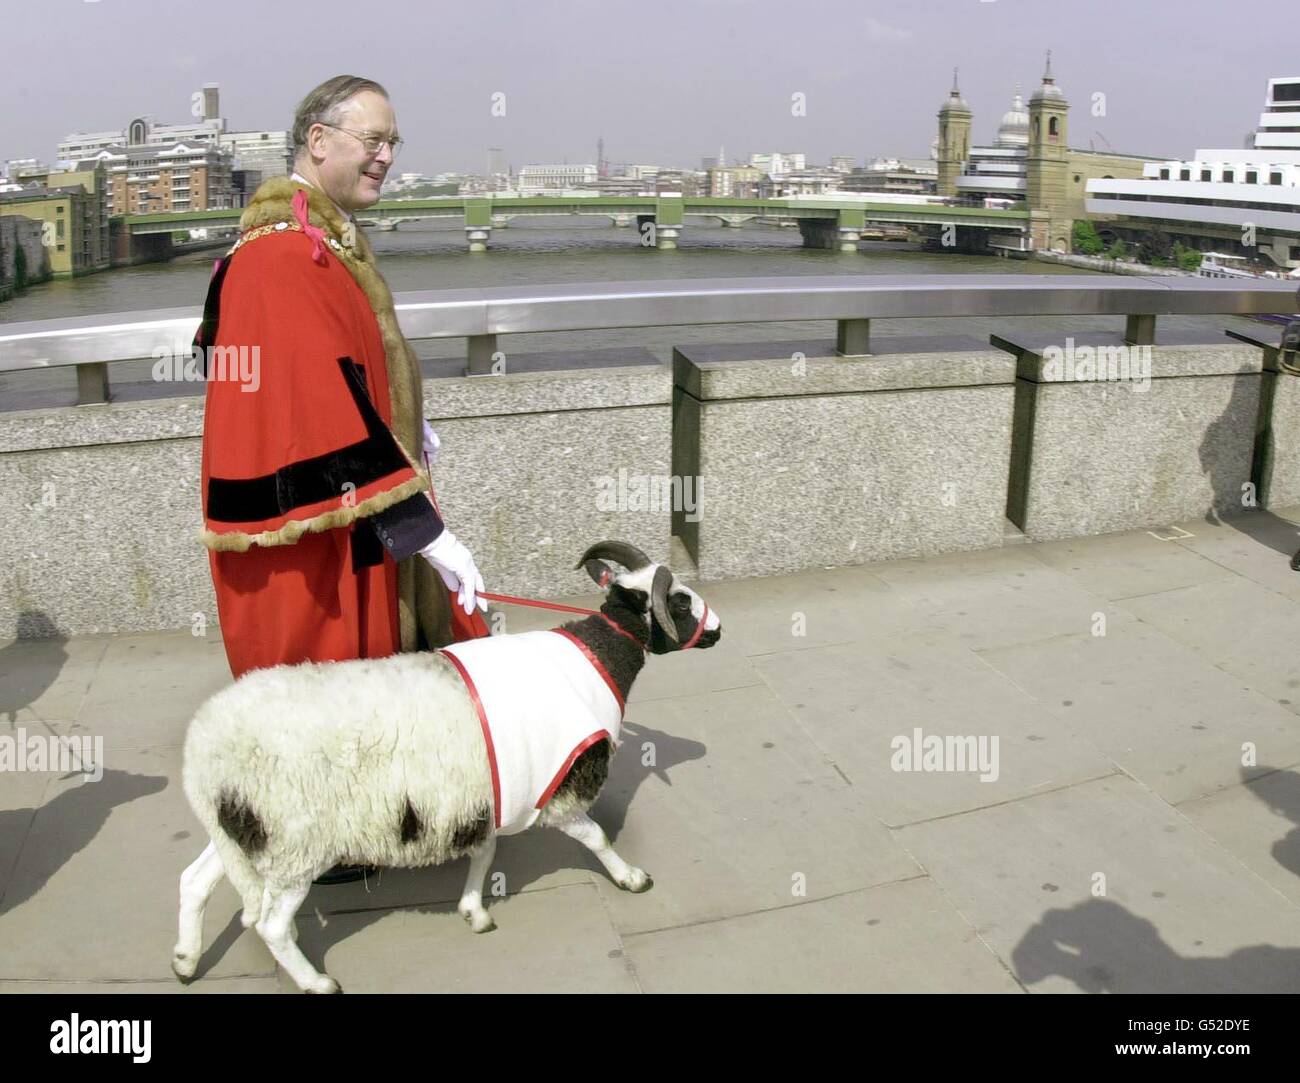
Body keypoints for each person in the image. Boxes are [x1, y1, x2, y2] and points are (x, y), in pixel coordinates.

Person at [196, 75, 489, 883]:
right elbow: (311, 407)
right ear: (318, 141)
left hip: (343, 511)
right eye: (373, 140)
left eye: (394, 143)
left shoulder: (314, 240)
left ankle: (349, 829)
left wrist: (403, 419)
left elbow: (337, 374)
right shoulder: (287, 253)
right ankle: (313, 848)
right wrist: (419, 521)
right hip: (319, 529)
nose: (387, 157)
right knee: (321, 700)